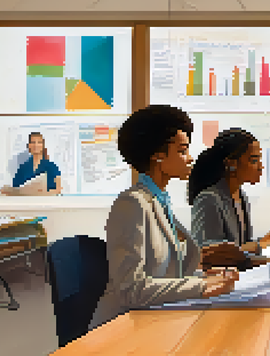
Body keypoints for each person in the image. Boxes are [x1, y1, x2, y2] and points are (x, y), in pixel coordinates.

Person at [88, 105, 240, 331]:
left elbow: (164, 272)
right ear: (157, 155)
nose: (190, 158)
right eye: (182, 151)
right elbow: (131, 289)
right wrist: (201, 285)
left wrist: (204, 274)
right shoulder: (132, 204)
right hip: (123, 328)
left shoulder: (159, 200)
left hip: (155, 321)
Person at [189, 128, 270, 255]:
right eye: (254, 161)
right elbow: (210, 254)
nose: (261, 167)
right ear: (231, 164)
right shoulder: (209, 199)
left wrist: (267, 240)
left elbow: (242, 247)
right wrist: (265, 241)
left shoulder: (241, 197)